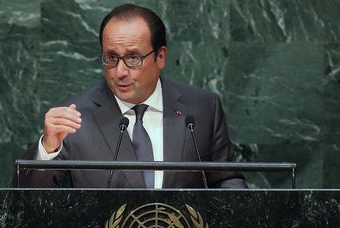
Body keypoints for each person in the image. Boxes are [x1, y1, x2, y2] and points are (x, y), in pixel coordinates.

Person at [18, 3, 247, 188]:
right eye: (111, 58)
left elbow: (227, 179)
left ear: (160, 57)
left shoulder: (202, 108)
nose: (120, 72)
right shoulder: (74, 117)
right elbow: (32, 204)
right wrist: (47, 150)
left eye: (133, 58)